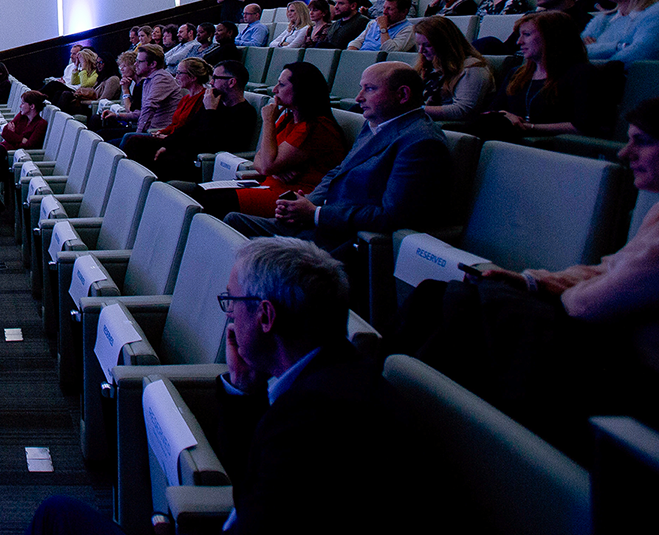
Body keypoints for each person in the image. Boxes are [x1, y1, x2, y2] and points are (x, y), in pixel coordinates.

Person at [401, 99, 659, 458]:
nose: (624, 153)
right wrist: (533, 282)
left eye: (642, 141)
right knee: (443, 296)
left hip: (626, 372)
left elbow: (585, 304)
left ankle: (416, 414)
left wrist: (553, 290)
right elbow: (607, 269)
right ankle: (410, 402)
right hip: (599, 334)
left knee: (465, 303)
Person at [213, 238, 411, 535]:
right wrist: (244, 388)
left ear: (265, 316)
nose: (229, 314)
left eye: (233, 300)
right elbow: (250, 493)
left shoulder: (312, 420)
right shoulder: (336, 373)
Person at [224, 62, 453, 254]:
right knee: (232, 221)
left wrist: (316, 214)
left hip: (345, 239)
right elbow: (338, 171)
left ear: (402, 94)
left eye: (370, 89)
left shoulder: (421, 142)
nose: (358, 97)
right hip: (322, 220)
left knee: (234, 240)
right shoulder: (375, 124)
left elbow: (391, 216)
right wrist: (307, 203)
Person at [177, 62, 347, 220]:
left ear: (301, 89)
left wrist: (268, 122)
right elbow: (259, 159)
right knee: (191, 191)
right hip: (268, 184)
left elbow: (265, 164)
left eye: (281, 85)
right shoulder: (288, 117)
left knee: (205, 201)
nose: (274, 90)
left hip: (294, 197)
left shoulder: (315, 126)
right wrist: (275, 169)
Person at [475, 11, 617, 140]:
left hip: (554, 149)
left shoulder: (582, 74)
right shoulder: (517, 73)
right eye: (520, 35)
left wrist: (530, 127)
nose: (519, 42)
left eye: (527, 35)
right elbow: (491, 110)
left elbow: (584, 126)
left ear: (552, 37)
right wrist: (505, 115)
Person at [145, 59, 259, 181]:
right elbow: (188, 127)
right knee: (141, 145)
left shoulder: (245, 113)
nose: (211, 82)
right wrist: (168, 144)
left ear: (231, 82)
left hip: (202, 163)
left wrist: (210, 111)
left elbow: (213, 144)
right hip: (185, 152)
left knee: (153, 158)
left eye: (216, 78)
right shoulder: (216, 103)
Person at [0, 90, 48, 229]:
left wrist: (14, 137)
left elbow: (30, 146)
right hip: (4, 153)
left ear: (32, 106)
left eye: (23, 103)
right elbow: (5, 132)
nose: (20, 106)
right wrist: (20, 139)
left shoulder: (41, 124)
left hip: (17, 158)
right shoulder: (22, 117)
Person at [413, 16, 495, 122]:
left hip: (449, 126)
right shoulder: (427, 66)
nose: (421, 50)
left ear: (445, 44)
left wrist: (415, 111)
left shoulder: (472, 68)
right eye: (419, 45)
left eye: (427, 45)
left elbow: (462, 110)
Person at [116, 45, 187, 159]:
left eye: (139, 61)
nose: (135, 64)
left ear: (153, 64)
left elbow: (149, 108)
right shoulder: (149, 80)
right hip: (151, 129)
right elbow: (143, 111)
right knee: (107, 135)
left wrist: (138, 132)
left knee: (128, 139)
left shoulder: (161, 78)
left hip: (158, 131)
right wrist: (117, 116)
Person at [582, 0, 659, 63]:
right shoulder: (603, 19)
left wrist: (596, 49)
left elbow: (641, 51)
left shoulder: (654, 14)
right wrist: (618, 46)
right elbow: (579, 51)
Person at [348, 0, 416, 52]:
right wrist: (351, 53)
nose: (384, 12)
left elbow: (390, 51)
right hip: (361, 58)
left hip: (381, 63)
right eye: (384, 8)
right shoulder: (373, 23)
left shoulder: (409, 30)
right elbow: (357, 42)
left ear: (404, 11)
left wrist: (383, 28)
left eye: (389, 9)